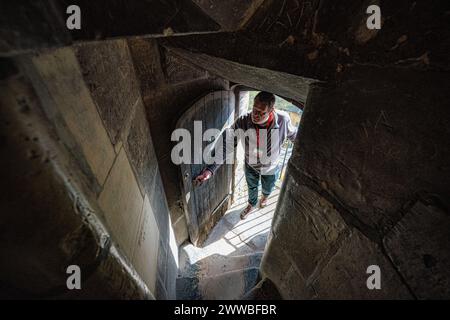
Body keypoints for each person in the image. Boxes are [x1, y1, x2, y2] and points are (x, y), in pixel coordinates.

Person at [193, 91, 298, 219]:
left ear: (271, 110)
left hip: (271, 167)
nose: (255, 115)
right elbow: (227, 145)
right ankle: (251, 204)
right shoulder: (243, 121)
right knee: (252, 187)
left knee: (268, 187)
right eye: (254, 109)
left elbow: (295, 137)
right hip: (250, 165)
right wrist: (210, 169)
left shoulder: (283, 119)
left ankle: (264, 197)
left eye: (261, 112)